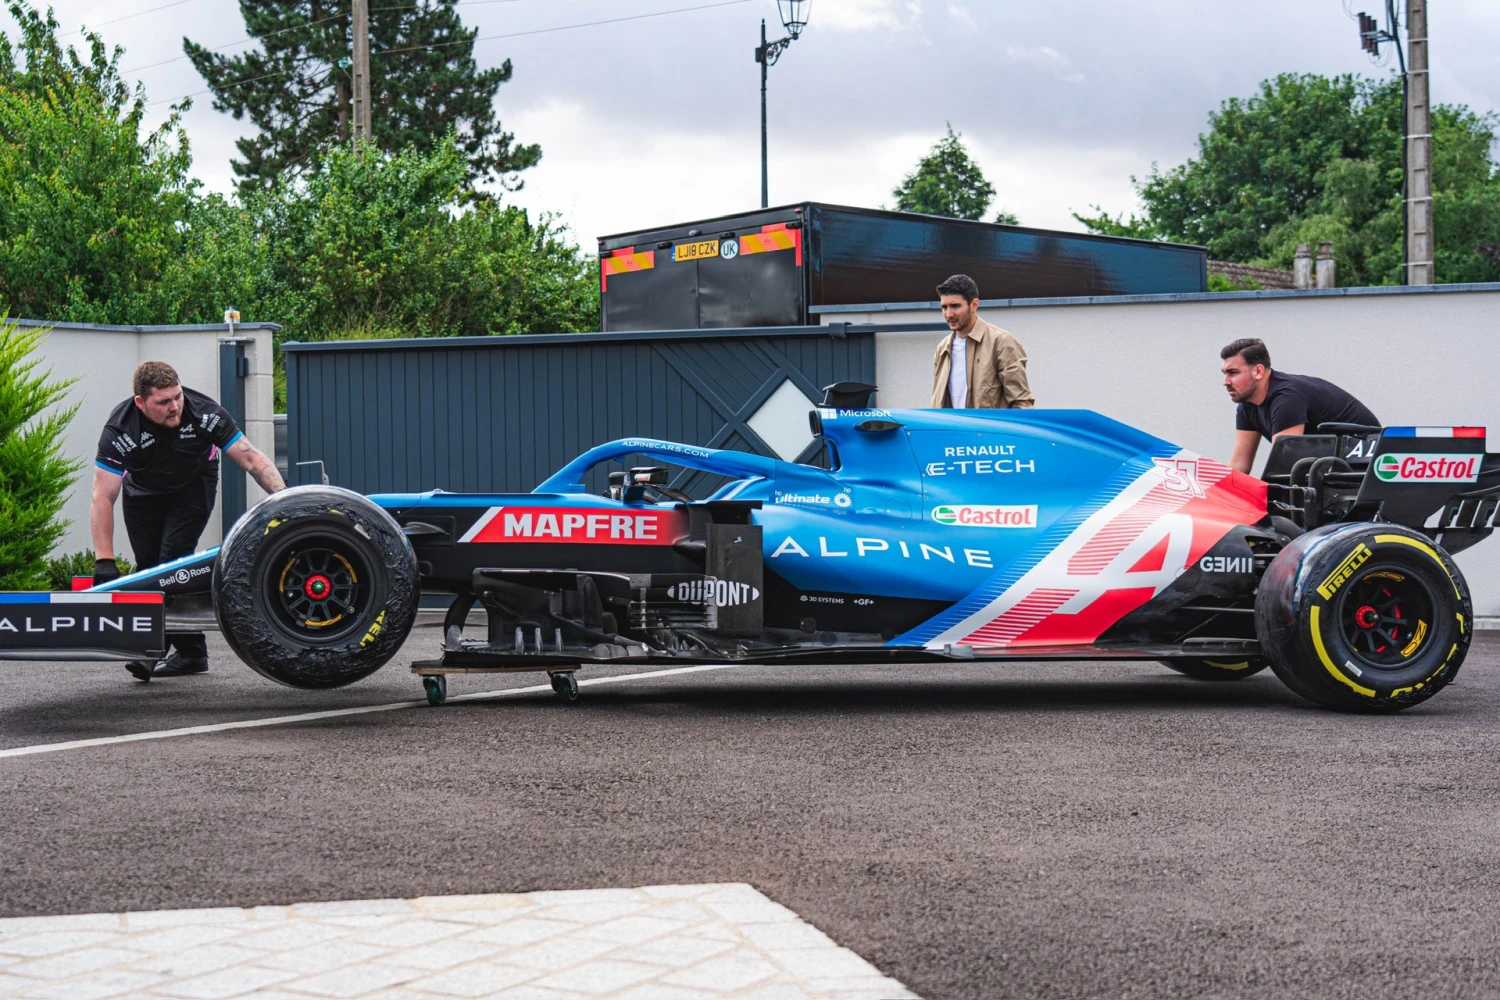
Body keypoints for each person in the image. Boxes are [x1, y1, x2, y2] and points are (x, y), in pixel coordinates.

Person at [91, 361, 286, 681]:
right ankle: (192, 653)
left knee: (172, 561)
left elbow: (251, 457)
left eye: (177, 397)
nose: (175, 406)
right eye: (163, 402)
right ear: (140, 402)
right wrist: (104, 561)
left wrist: (284, 500)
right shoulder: (121, 430)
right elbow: (102, 497)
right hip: (143, 493)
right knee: (149, 568)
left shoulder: (204, 413)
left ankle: (150, 651)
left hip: (193, 487)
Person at [1221, 338, 1380, 475]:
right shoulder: (1248, 406)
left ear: (1258, 371)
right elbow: (1239, 466)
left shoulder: (1287, 397)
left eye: (1233, 372)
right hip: (1329, 466)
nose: (1226, 381)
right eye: (1224, 373)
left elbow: (1284, 463)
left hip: (1365, 461)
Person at [930, 274, 1035, 410]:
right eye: (944, 307)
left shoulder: (1002, 342)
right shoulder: (943, 348)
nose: (949, 314)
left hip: (989, 431)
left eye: (955, 306)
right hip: (952, 430)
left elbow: (1021, 403)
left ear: (974, 305)